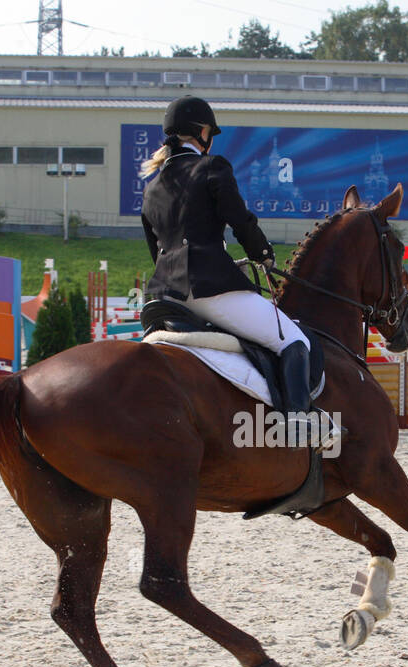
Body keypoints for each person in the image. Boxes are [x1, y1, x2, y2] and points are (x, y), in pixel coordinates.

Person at [139, 96, 321, 440]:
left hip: (165, 297)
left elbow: (157, 251)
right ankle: (296, 428)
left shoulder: (151, 188)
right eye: (210, 131)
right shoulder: (212, 167)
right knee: (293, 340)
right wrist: (263, 254)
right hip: (210, 289)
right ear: (201, 132)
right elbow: (240, 221)